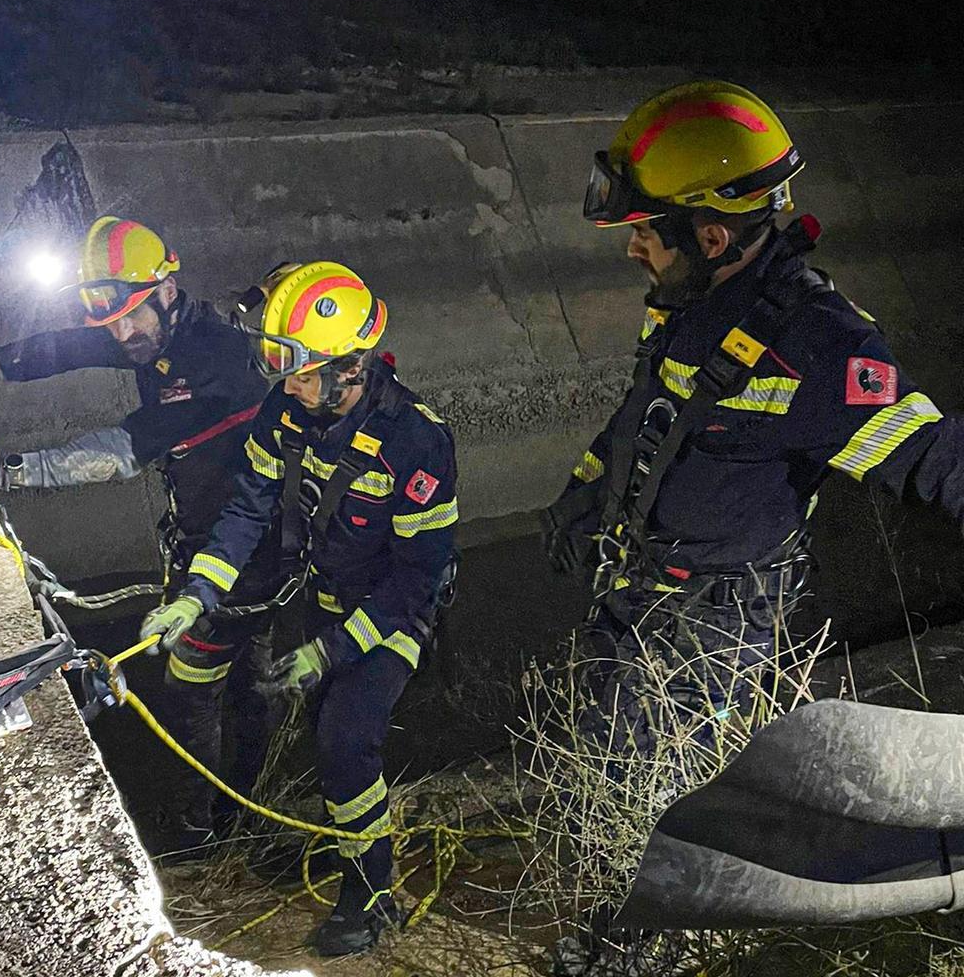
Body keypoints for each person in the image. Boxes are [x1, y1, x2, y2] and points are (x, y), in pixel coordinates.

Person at [541, 80, 964, 974]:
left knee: (669, 795)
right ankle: (623, 927)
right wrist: (584, 495)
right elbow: (646, 417)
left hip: (715, 616)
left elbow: (932, 459)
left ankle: (651, 952)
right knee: (611, 765)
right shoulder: (697, 302)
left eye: (644, 234)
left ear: (713, 234)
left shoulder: (819, 344)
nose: (634, 253)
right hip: (643, 585)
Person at [139, 260, 458, 956]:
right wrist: (199, 592)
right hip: (321, 602)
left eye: (306, 371)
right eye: (284, 370)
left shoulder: (416, 442)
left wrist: (331, 651)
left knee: (346, 742)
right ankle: (355, 859)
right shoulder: (286, 412)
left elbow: (416, 581)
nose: (291, 384)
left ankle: (372, 895)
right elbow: (248, 509)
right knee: (329, 745)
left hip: (391, 614)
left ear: (353, 367)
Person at [0, 215, 276, 851]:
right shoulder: (151, 330)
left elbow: (126, 447)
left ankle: (197, 832)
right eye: (110, 322)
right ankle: (250, 803)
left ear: (166, 289)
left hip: (245, 545)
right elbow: (63, 349)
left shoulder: (216, 358)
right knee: (247, 679)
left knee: (193, 687)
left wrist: (6, 467)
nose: (120, 333)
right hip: (214, 534)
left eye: (130, 317)